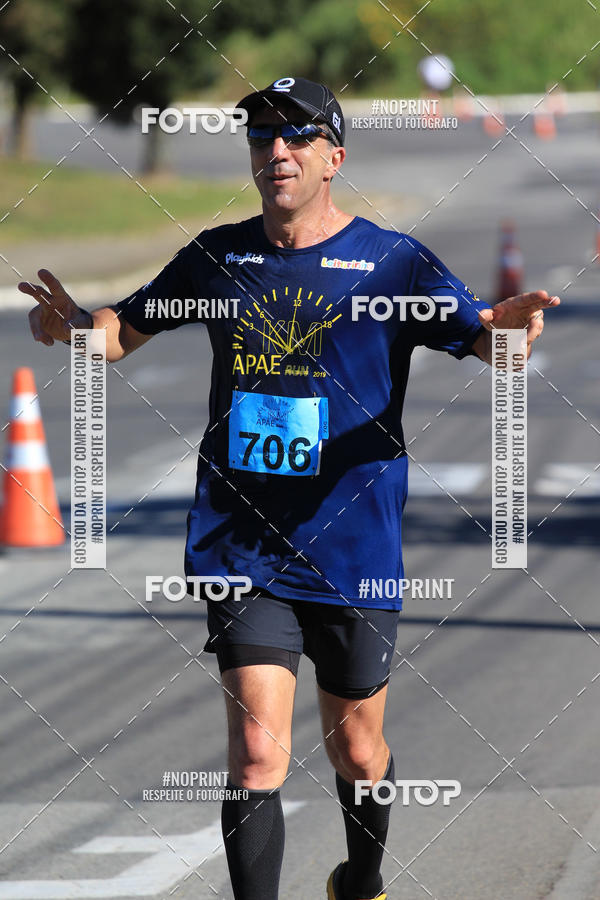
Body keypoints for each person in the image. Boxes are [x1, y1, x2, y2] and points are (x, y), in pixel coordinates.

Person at [21, 76, 559, 900]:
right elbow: (117, 337)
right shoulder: (218, 256)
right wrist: (70, 328)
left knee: (358, 752)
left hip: (354, 550)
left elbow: (492, 347)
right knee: (258, 755)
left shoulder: (393, 261)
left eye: (297, 137)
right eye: (263, 137)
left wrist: (513, 333)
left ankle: (363, 877)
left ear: (333, 157)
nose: (277, 151)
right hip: (243, 543)